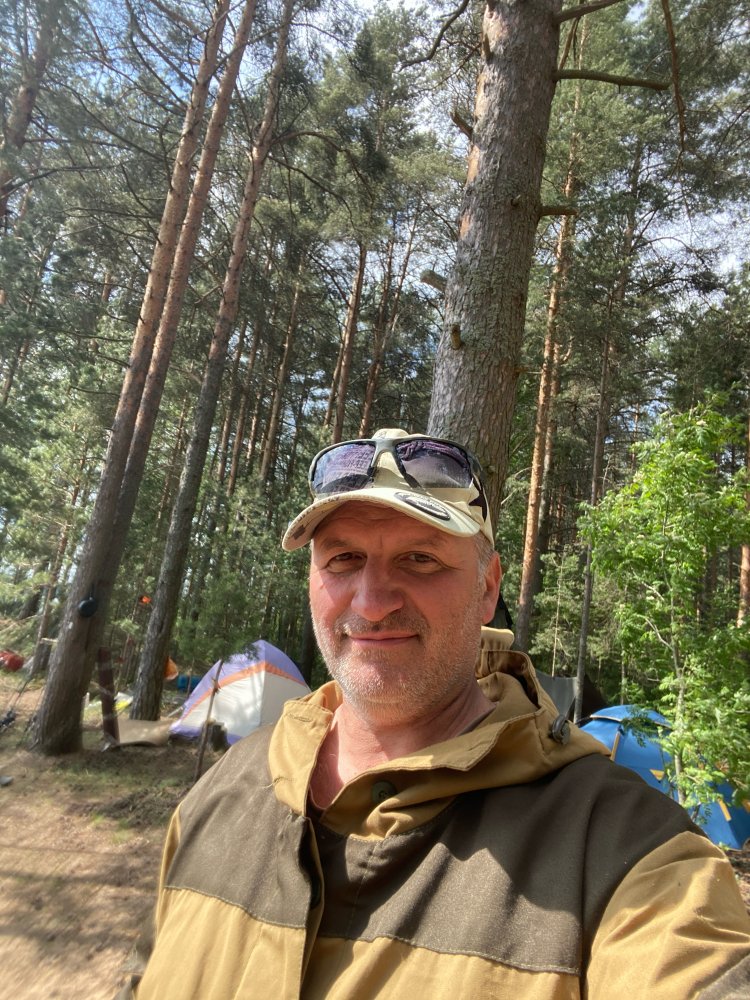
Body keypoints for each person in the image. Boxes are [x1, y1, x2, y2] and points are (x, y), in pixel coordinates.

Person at [129, 429, 750, 999]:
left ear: (488, 587)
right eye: (343, 559)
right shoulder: (225, 789)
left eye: (420, 559)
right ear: (312, 580)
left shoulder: (620, 848)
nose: (372, 603)